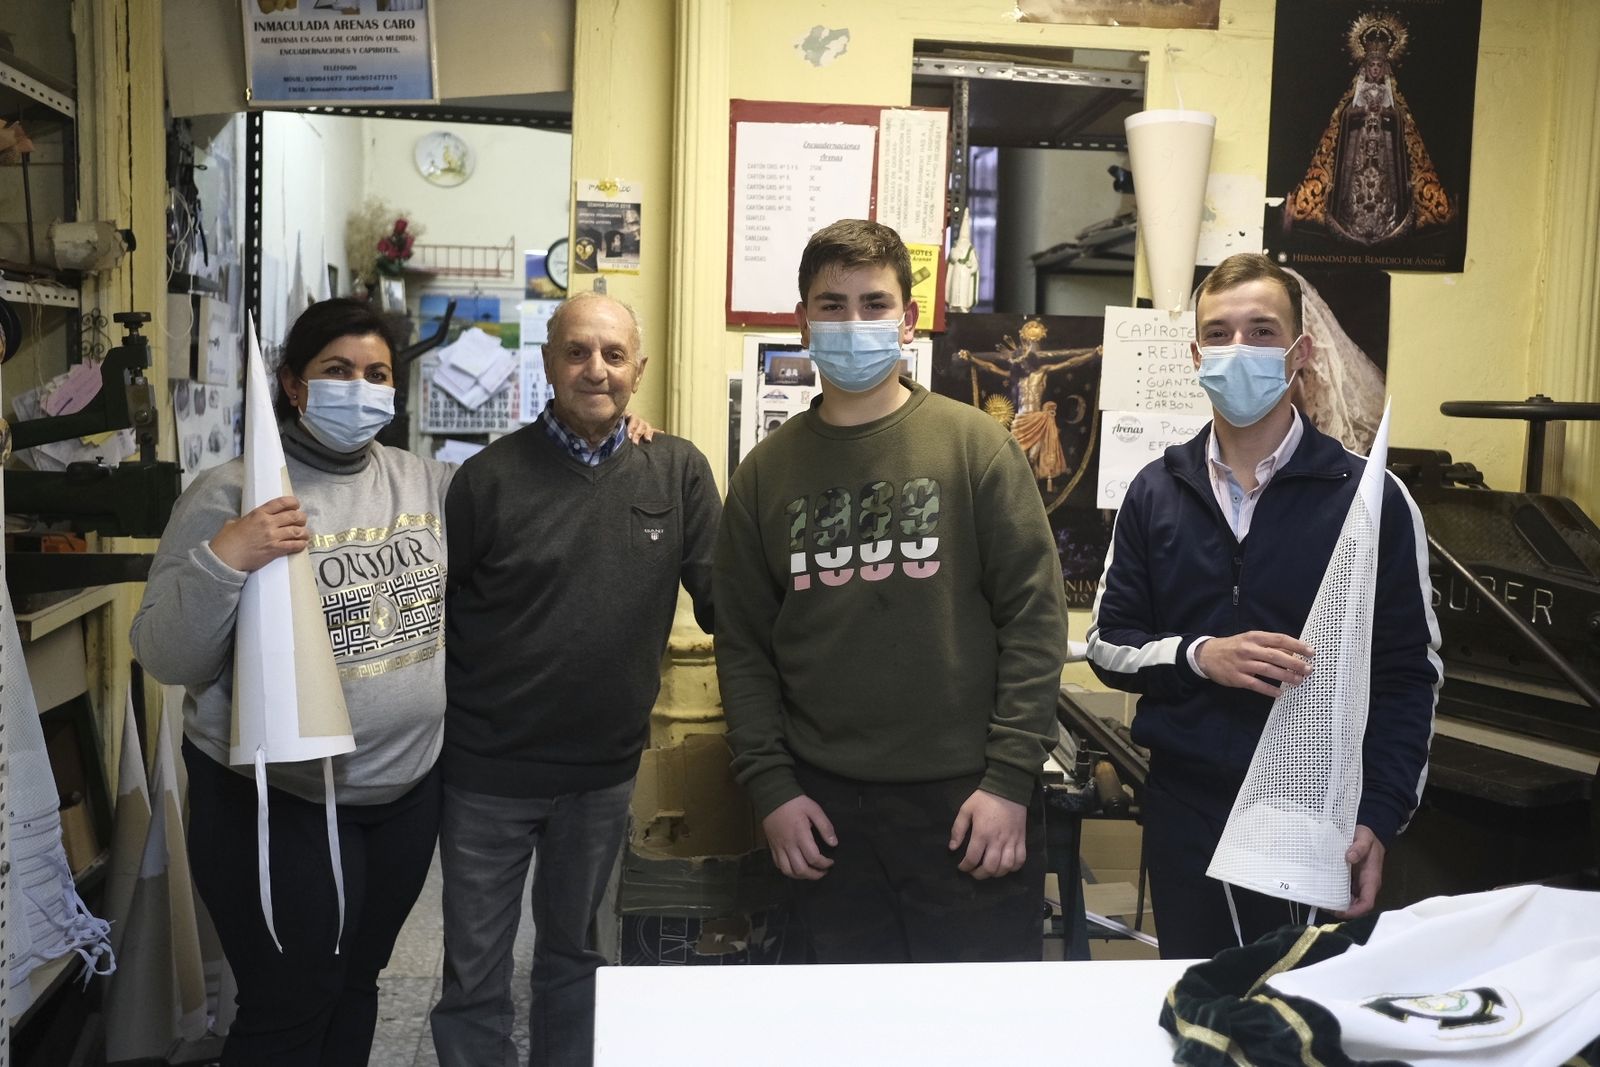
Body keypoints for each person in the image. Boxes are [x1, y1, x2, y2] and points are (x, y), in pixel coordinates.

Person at [714, 219, 1068, 965]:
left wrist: (1009, 780)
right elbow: (744, 649)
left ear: (908, 320)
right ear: (802, 320)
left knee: (973, 1034)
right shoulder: (762, 475)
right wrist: (772, 789)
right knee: (845, 1033)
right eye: (831, 304)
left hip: (968, 804)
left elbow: (1034, 623)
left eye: (874, 304)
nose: (853, 322)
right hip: (823, 811)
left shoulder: (975, 447)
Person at [1086, 252, 1440, 960]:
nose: (1237, 350)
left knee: (1298, 1014)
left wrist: (1380, 815)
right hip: (1187, 811)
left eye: (1261, 330)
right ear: (1194, 354)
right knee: (1198, 1007)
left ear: (1300, 352)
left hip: (1312, 818)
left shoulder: (1370, 500)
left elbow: (1409, 675)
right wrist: (1200, 656)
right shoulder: (1154, 492)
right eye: (1218, 334)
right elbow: (1107, 643)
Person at [131, 298, 454, 1065]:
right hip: (277, 801)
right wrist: (227, 556)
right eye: (337, 371)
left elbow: (528, 498)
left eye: (377, 373)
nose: (361, 387)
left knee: (355, 983)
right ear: (293, 385)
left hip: (402, 796)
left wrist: (626, 436)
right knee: (288, 1000)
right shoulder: (229, 493)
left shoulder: (427, 484)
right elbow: (165, 654)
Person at [430, 291, 717, 1067]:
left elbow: (729, 601)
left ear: (639, 369)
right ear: (549, 363)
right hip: (488, 774)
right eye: (578, 352)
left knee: (575, 964)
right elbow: (437, 626)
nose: (597, 368)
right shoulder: (486, 480)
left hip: (600, 775)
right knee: (474, 976)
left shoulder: (677, 470)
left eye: (614, 355)